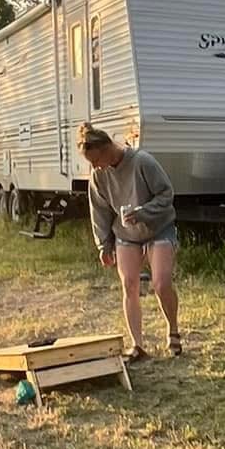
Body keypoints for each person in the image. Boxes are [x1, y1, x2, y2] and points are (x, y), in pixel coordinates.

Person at [79, 123, 181, 360]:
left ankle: (173, 330)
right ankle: (137, 345)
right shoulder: (98, 175)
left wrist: (143, 212)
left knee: (161, 283)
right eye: (91, 163)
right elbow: (99, 211)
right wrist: (103, 244)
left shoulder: (142, 161)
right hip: (126, 235)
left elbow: (166, 194)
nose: (94, 167)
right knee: (129, 284)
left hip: (158, 227)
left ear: (106, 148)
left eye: (95, 160)